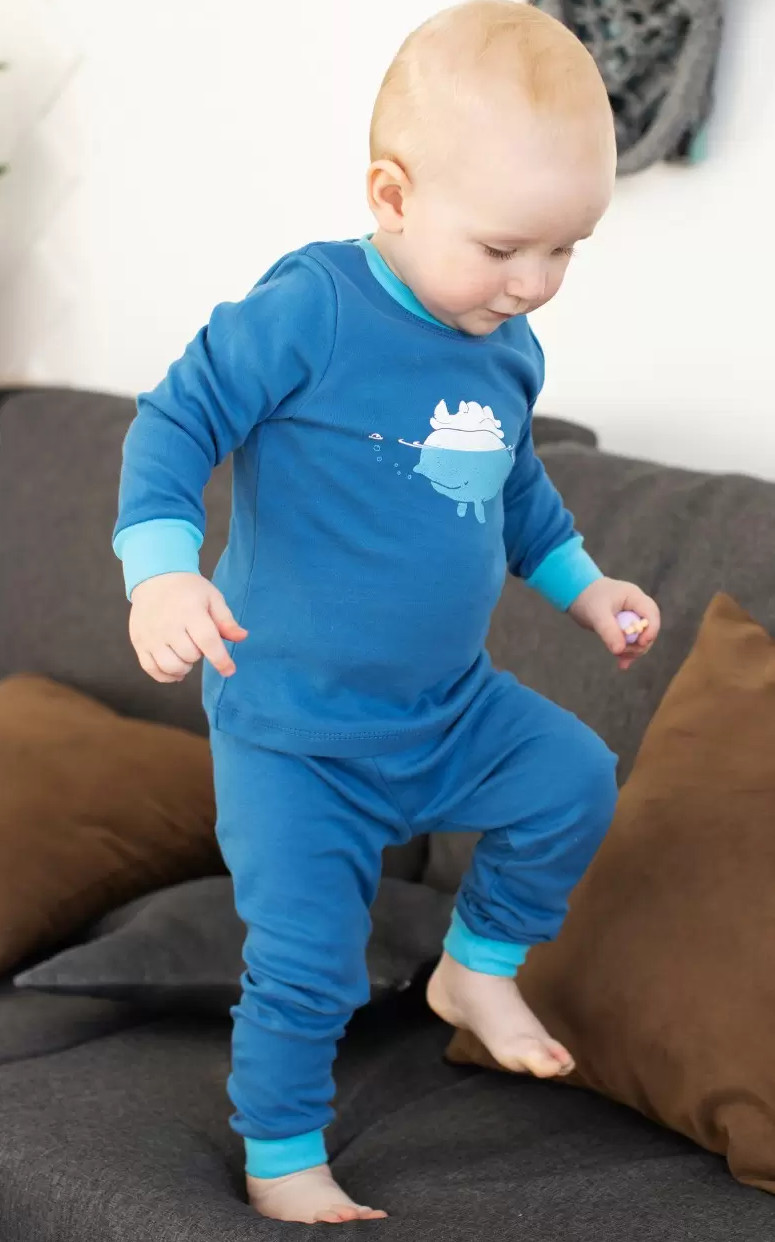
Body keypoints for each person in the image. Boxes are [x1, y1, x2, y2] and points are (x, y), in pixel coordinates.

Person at [113, 0, 660, 1224]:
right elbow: (175, 420)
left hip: (445, 710)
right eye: (505, 247)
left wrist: (586, 587)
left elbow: (511, 487)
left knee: (574, 777)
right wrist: (161, 570)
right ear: (393, 195)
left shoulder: (503, 345)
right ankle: (283, 1160)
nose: (533, 285)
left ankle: (476, 969)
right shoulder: (310, 308)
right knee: (308, 961)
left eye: (565, 251)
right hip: (292, 733)